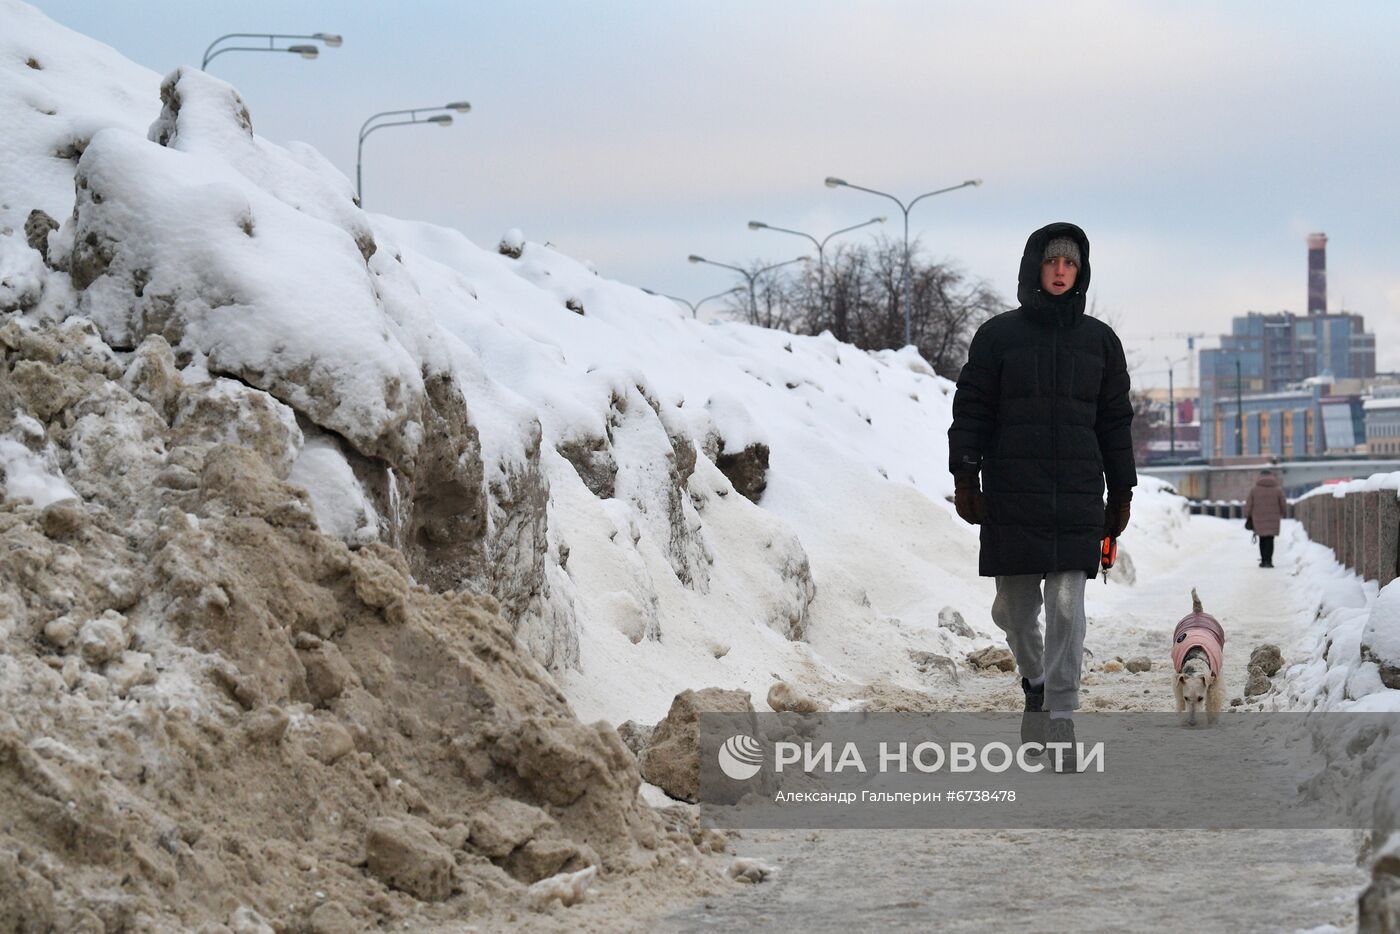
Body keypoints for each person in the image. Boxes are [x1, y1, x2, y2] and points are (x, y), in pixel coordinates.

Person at [947, 222, 1136, 771]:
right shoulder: (997, 337)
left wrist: (1121, 490)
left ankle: (1060, 715)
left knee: (1067, 605)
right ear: (1035, 267)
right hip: (1012, 494)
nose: (1060, 271)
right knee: (1013, 609)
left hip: (1078, 493)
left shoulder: (1100, 341)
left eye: (1070, 263)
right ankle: (1034, 682)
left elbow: (1115, 421)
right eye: (1052, 262)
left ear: (1081, 272)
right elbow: (972, 409)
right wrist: (966, 475)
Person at [1244, 468, 1286, 567]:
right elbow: (1283, 504)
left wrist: (1248, 514)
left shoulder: (1254, 490)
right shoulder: (1277, 489)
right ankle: (1269, 561)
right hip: (1273, 518)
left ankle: (1263, 561)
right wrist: (1282, 513)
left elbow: (1249, 504)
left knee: (1262, 538)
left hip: (1258, 518)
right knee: (1270, 539)